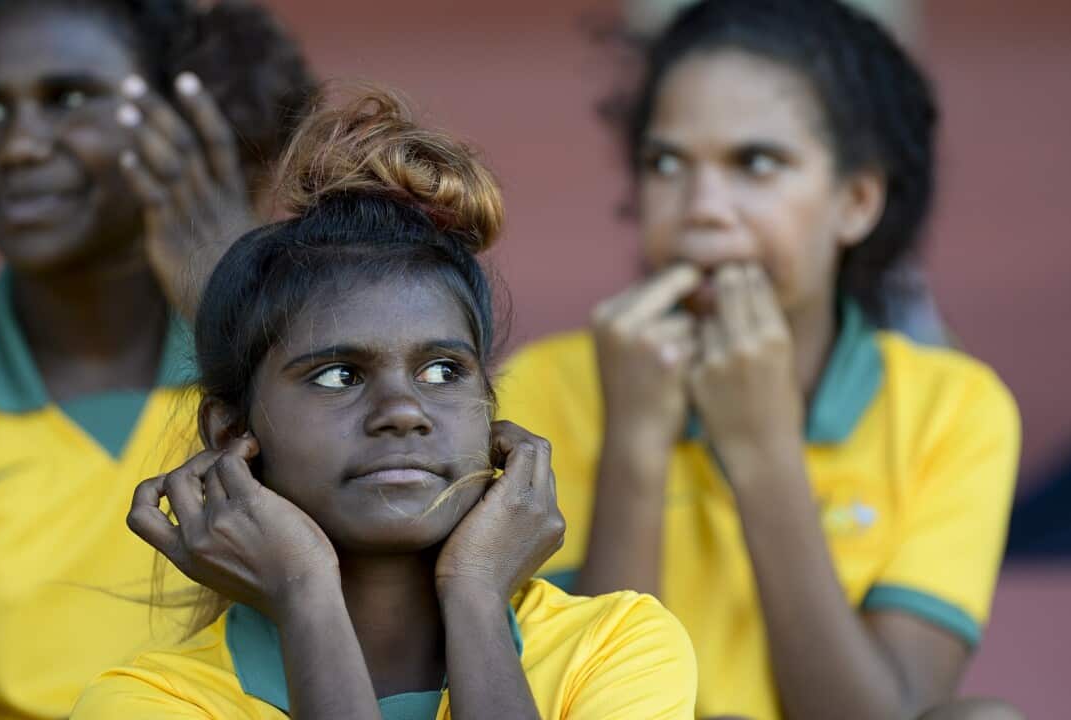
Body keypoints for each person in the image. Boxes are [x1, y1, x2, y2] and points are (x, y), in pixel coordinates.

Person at [70, 89, 698, 720]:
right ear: (231, 431)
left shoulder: (615, 645)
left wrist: (477, 596)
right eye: (340, 375)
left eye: (442, 370)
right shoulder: (147, 702)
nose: (403, 410)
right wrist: (305, 595)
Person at [496, 1, 1021, 718]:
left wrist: (762, 448)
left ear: (857, 201)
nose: (704, 208)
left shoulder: (953, 407)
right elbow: (578, 701)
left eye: (757, 163)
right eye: (667, 162)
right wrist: (637, 441)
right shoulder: (545, 385)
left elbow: (885, 713)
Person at [0, 1, 314, 717]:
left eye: (69, 98)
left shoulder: (282, 356)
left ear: (177, 121)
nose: (18, 145)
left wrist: (235, 306)